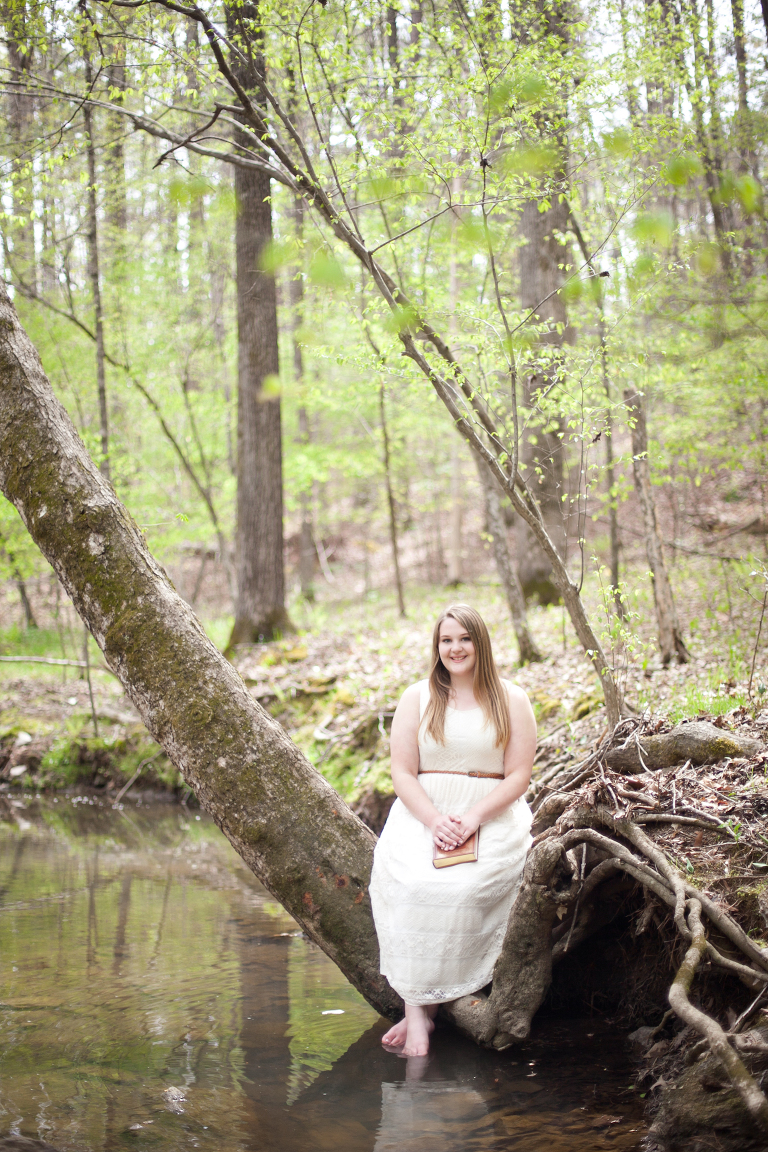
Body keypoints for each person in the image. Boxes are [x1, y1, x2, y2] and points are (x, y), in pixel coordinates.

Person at [369, 603, 536, 1057]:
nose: (455, 648)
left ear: (479, 643)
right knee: (410, 885)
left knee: (462, 892)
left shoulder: (512, 698)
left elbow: (519, 775)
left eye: (464, 638)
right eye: (446, 640)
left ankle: (423, 1013)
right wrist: (434, 819)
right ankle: (417, 1014)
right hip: (423, 815)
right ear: (436, 646)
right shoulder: (417, 697)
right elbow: (402, 772)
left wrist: (473, 817)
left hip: (491, 814)